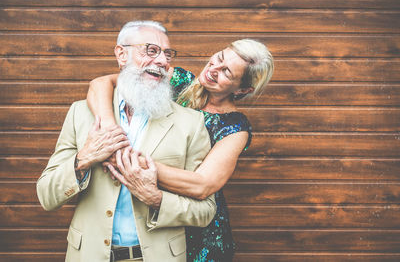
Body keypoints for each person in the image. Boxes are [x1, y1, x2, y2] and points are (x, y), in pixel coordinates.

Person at [36, 20, 217, 262]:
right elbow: (47, 196)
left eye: (167, 54)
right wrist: (83, 160)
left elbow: (206, 211)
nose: (163, 61)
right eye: (151, 50)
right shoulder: (81, 113)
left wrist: (156, 198)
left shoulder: (191, 123)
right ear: (122, 54)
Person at [87, 36, 274, 261]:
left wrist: (126, 161)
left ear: (243, 89)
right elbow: (101, 84)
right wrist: (110, 133)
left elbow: (203, 185)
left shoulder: (234, 127)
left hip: (201, 236)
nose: (214, 69)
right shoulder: (176, 79)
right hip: (152, 230)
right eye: (219, 58)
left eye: (226, 72)